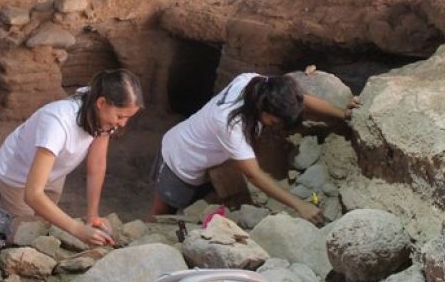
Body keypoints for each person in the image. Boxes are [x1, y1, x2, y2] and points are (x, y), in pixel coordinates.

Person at [149, 73, 358, 225]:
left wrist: (342, 114)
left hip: (208, 155)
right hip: (182, 156)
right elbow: (253, 174)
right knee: (163, 211)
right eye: (274, 121)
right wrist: (299, 205)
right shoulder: (229, 124)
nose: (275, 126)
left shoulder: (256, 84)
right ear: (262, 108)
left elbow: (302, 100)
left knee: (199, 201)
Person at [0, 69, 144, 246]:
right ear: (102, 103)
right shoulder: (57, 123)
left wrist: (92, 215)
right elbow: (33, 194)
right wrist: (77, 230)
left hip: (54, 171)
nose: (122, 123)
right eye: (120, 116)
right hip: (17, 176)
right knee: (23, 237)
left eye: (127, 118)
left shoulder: (99, 111)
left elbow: (97, 164)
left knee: (44, 226)